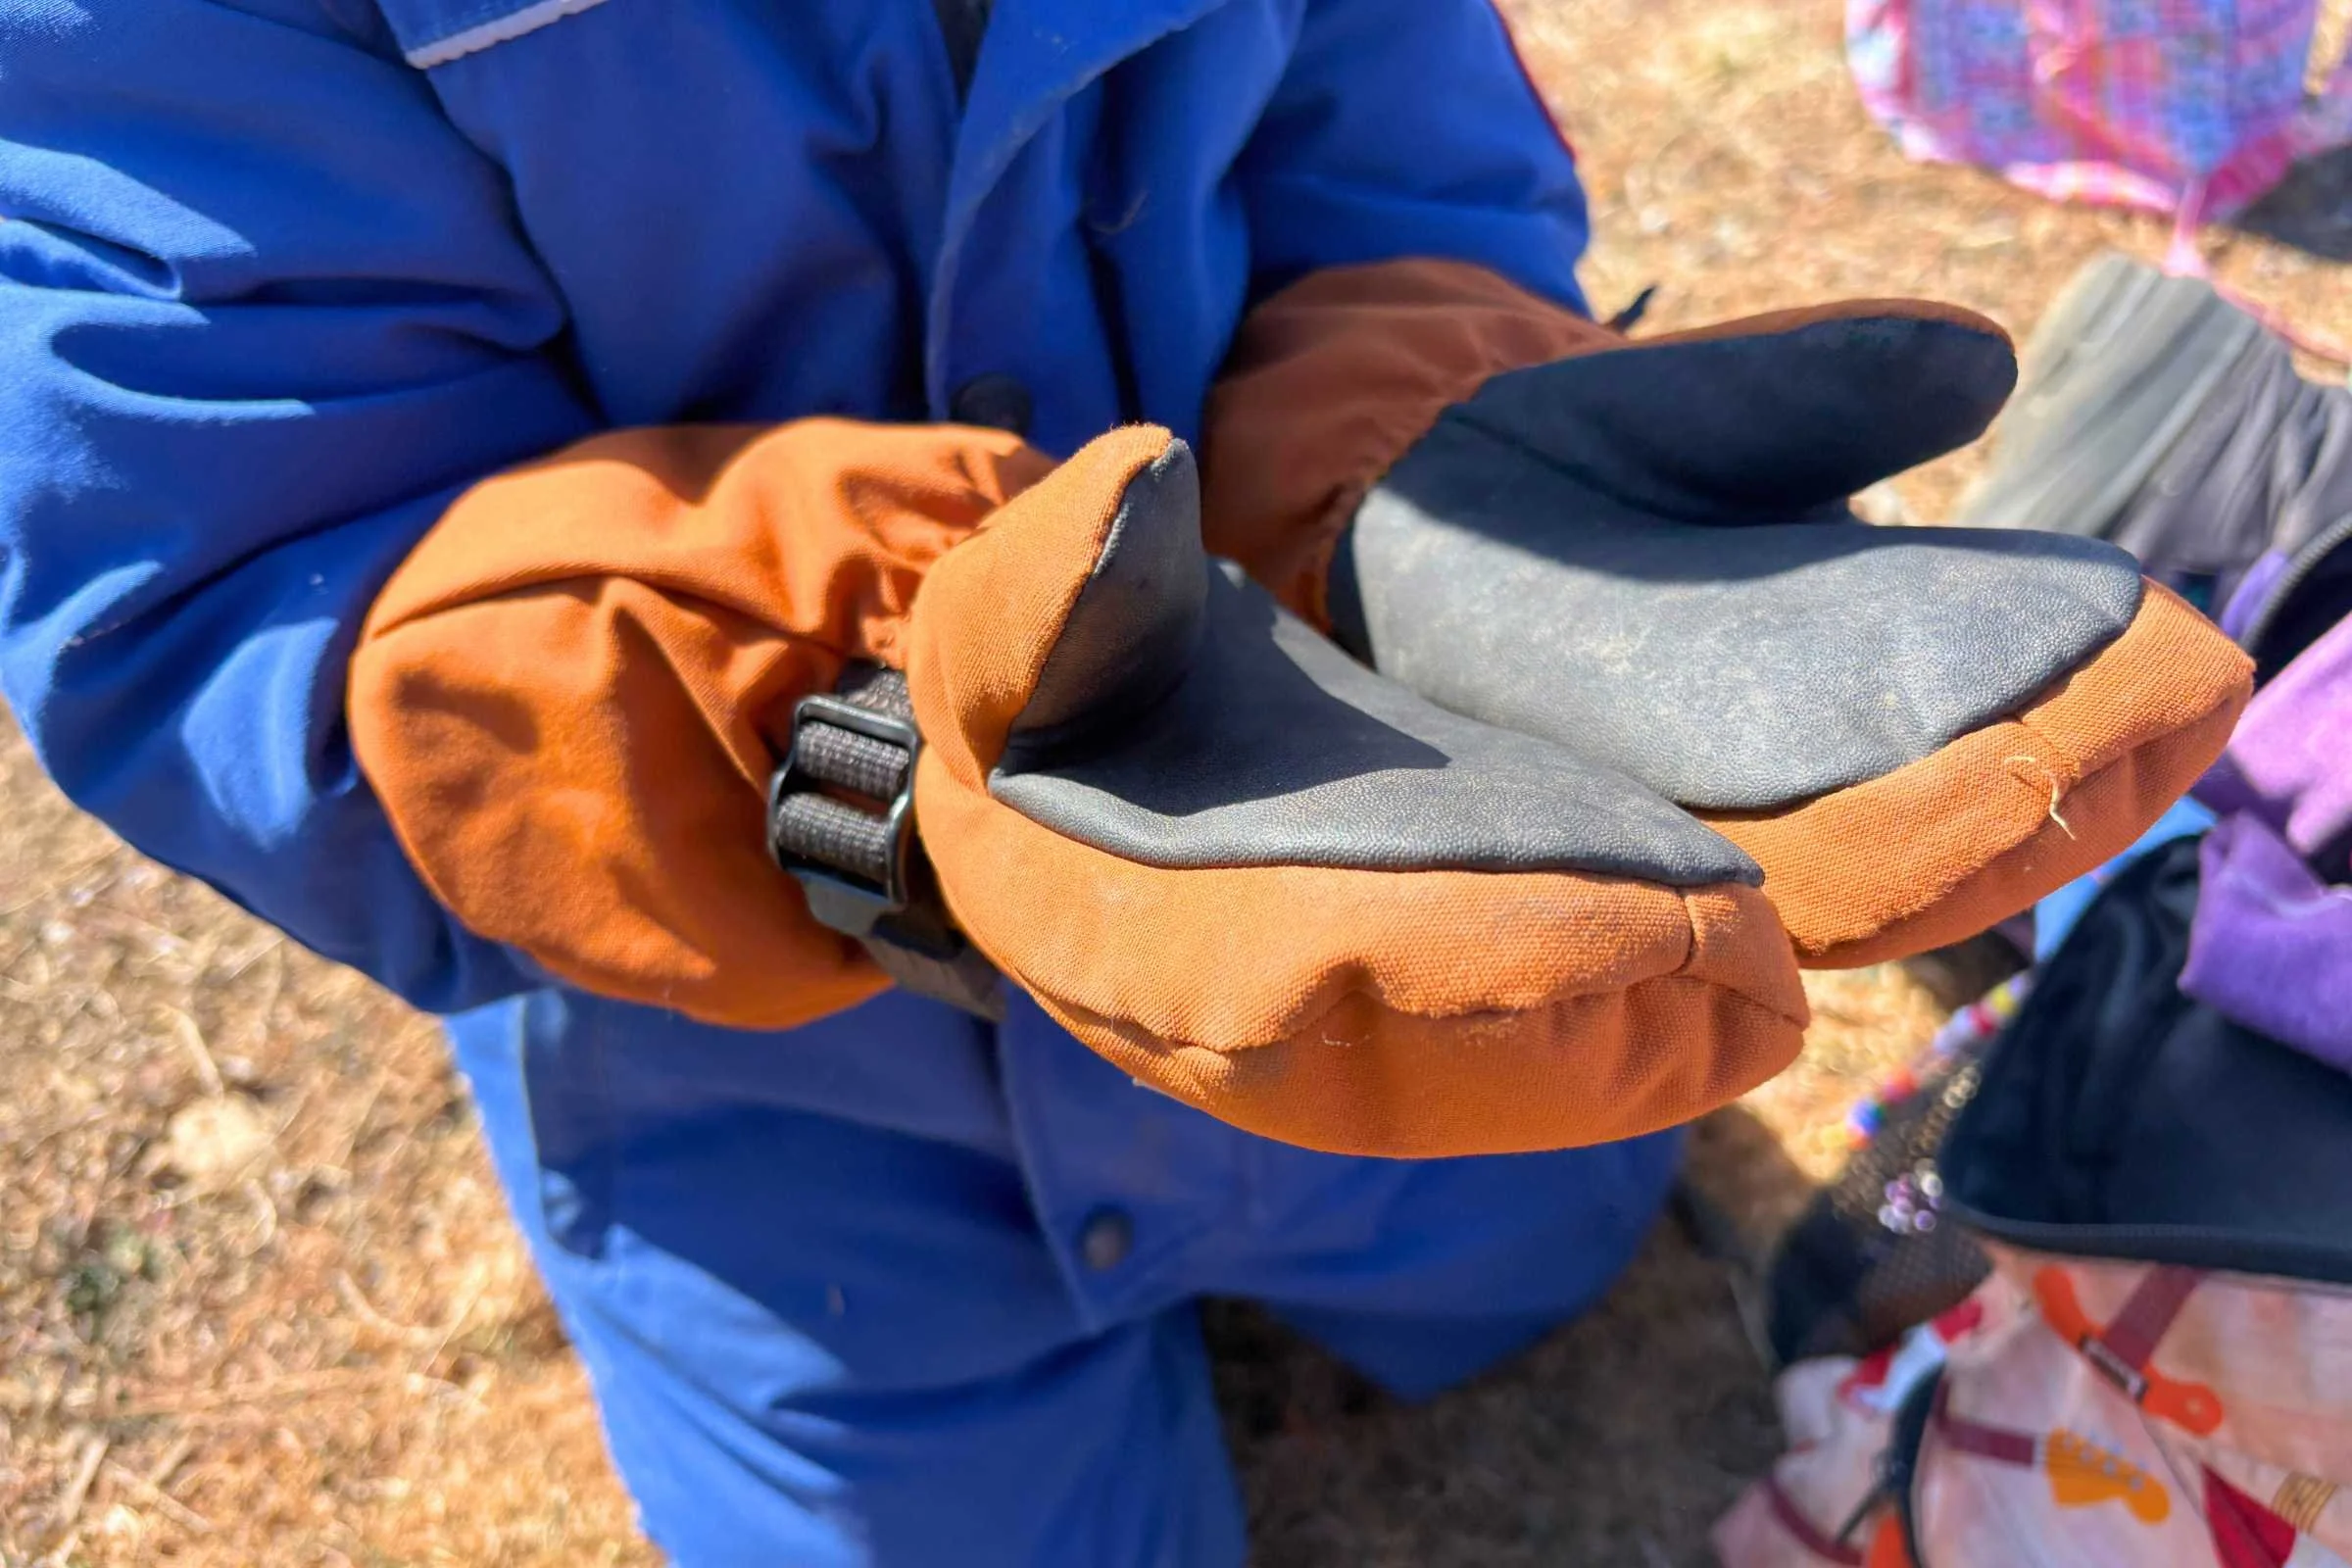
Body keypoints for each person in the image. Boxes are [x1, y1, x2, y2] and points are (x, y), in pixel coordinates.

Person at [0, 4, 2250, 1562]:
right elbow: (228, 566)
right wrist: (828, 720)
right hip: (777, 1110)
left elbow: (1396, 133)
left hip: (1365, 784)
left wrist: (1409, 483)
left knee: (1532, 1228)